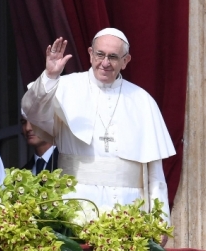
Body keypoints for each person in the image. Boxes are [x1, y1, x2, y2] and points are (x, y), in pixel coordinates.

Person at [21, 28, 176, 220]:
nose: (105, 63)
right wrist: (50, 76)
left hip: (129, 210)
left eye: (113, 57)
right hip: (76, 204)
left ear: (125, 61)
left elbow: (155, 171)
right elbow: (32, 110)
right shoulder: (64, 86)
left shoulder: (142, 100)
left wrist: (161, 218)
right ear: (90, 54)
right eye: (100, 54)